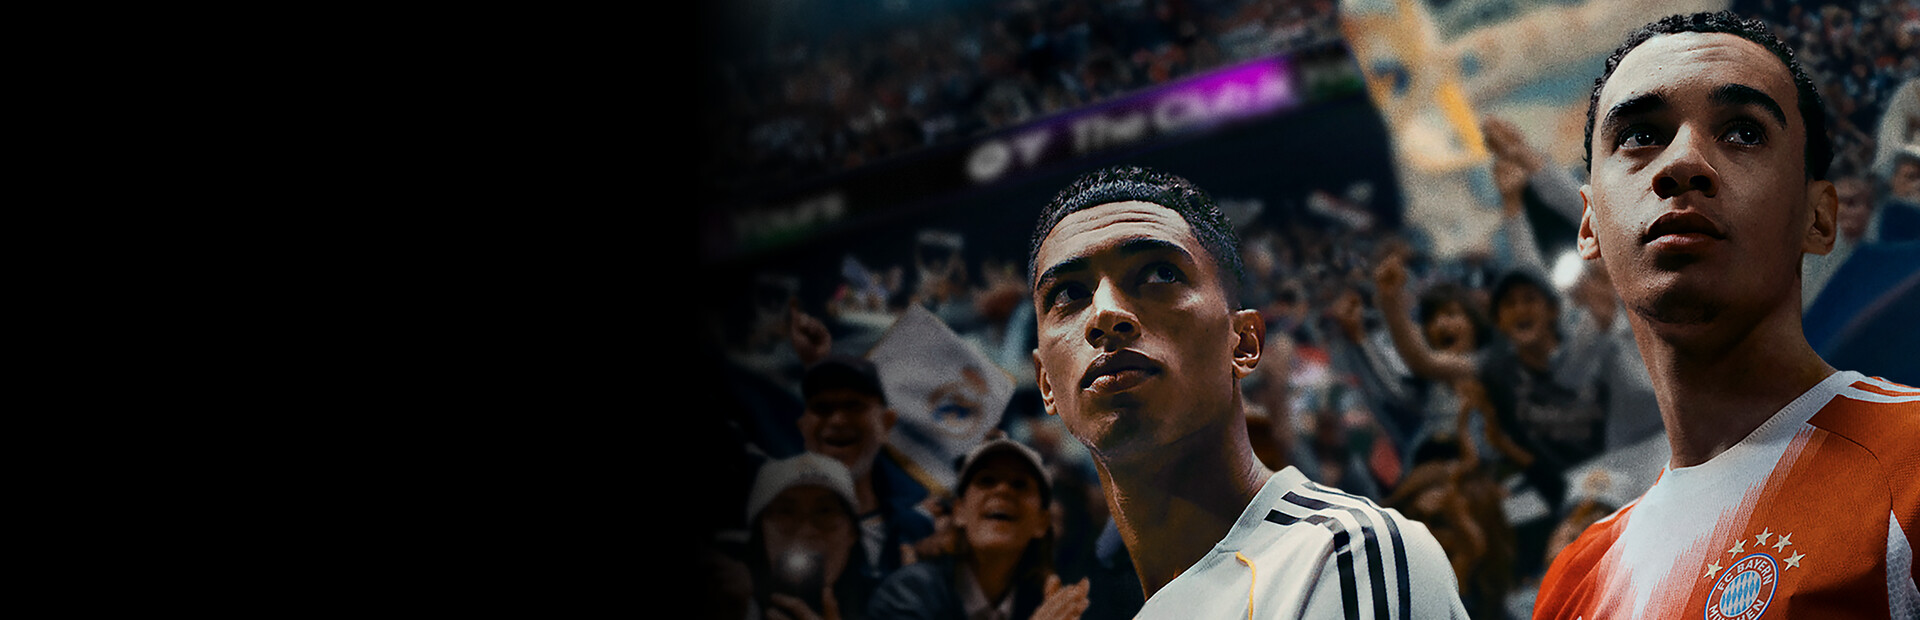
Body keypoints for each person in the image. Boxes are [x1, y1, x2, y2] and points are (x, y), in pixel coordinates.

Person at [1533, 11, 1920, 619]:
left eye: (1743, 132)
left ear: (1819, 217)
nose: (1683, 162)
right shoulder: (1575, 581)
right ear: (1589, 225)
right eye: (1639, 135)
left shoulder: (1912, 463)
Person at [1025, 165, 1468, 617]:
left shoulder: (1342, 556)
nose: (1104, 313)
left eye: (1159, 274)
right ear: (1045, 383)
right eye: (1068, 294)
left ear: (1244, 343)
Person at [867, 437, 1093, 620]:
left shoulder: (1046, 601)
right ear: (959, 511)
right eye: (987, 480)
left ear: (1042, 522)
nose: (1003, 490)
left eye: (1020, 484)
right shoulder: (909, 592)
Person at [797, 354, 937, 583]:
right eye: (821, 408)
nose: (837, 420)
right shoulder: (771, 519)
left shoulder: (921, 529)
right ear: (802, 426)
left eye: (854, 406)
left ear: (886, 422)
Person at [744, 453, 880, 620]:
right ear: (761, 530)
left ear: (852, 532)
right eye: (786, 512)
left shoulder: (890, 608)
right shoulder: (725, 604)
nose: (806, 531)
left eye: (825, 511)